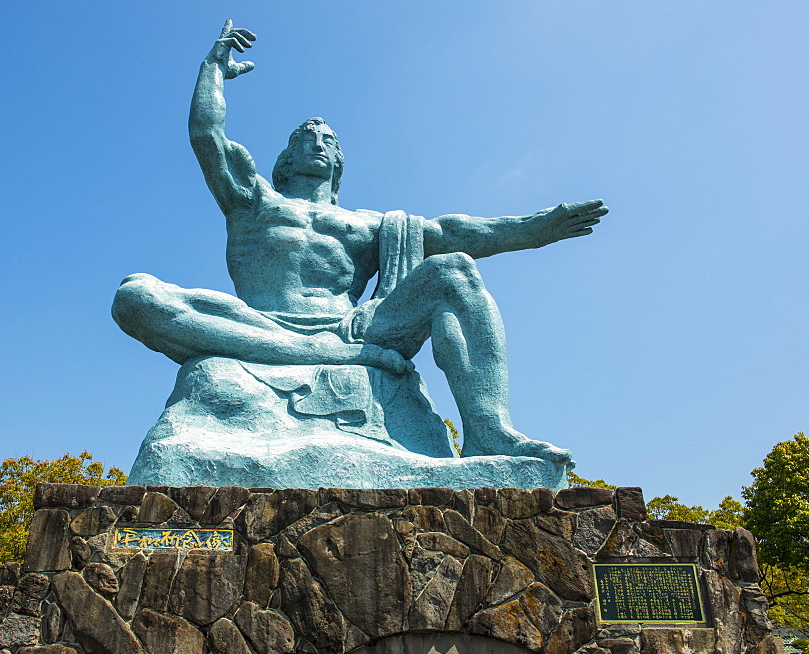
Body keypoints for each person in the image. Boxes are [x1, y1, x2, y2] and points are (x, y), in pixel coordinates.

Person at [113, 21, 607, 464]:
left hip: (353, 329)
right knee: (134, 295)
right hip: (261, 320)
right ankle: (305, 354)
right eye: (306, 136)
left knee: (454, 270)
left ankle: (489, 432)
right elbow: (207, 135)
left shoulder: (370, 224)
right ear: (284, 159)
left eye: (328, 139)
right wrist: (212, 68)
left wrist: (535, 228)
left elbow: (456, 232)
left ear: (339, 163)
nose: (319, 141)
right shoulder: (252, 198)